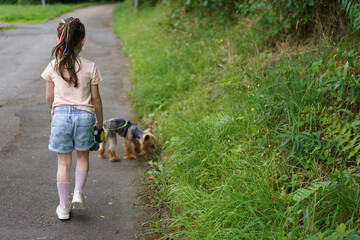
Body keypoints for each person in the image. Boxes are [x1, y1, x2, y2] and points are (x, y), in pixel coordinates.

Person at [41, 17, 104, 220]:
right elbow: (95, 98)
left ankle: (63, 206)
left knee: (63, 163)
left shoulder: (53, 66)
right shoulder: (90, 66)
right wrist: (100, 121)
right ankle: (78, 193)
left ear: (60, 39)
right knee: (82, 157)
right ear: (83, 40)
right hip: (85, 117)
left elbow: (49, 97)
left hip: (60, 117)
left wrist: (54, 110)